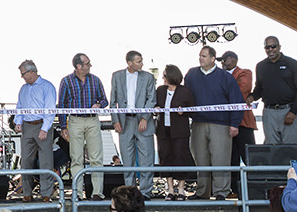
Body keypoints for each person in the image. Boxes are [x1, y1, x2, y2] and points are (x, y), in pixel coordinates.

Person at [186, 45, 239, 200]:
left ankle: (221, 192)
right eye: (200, 56)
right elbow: (185, 95)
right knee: (200, 159)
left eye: (204, 56)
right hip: (198, 123)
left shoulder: (225, 77)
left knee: (220, 158)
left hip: (221, 124)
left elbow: (236, 100)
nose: (200, 58)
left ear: (213, 58)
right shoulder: (191, 75)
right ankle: (202, 192)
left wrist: (234, 123)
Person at [57, 53, 109, 199]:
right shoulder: (66, 81)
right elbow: (62, 106)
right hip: (75, 121)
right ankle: (77, 193)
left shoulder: (96, 80)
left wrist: (99, 104)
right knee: (76, 158)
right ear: (78, 66)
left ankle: (97, 193)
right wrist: (63, 127)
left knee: (96, 157)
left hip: (93, 120)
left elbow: (105, 100)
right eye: (87, 63)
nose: (90, 65)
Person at [110, 50, 157, 192]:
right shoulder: (117, 76)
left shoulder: (148, 77)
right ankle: (129, 192)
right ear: (129, 63)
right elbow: (113, 101)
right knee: (127, 159)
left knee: (147, 158)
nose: (142, 64)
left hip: (143, 121)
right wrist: (115, 120)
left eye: (141, 60)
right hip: (124, 122)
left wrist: (144, 117)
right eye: (138, 61)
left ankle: (145, 192)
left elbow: (152, 99)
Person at [252, 36, 297, 148]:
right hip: (269, 112)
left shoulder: (292, 64)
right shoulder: (261, 66)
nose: (271, 49)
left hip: (289, 110)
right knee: (273, 151)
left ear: (279, 47)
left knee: (294, 150)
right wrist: (251, 97)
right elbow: (259, 89)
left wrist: (293, 111)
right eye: (267, 47)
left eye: (273, 46)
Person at [13, 61, 56, 201]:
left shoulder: (47, 86)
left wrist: (45, 129)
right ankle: (26, 193)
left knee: (46, 162)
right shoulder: (23, 89)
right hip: (27, 127)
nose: (22, 77)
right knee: (26, 161)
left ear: (31, 72)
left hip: (43, 125)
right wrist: (18, 122)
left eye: (23, 74)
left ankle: (46, 194)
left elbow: (50, 110)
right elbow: (19, 107)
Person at [155, 64, 195, 199]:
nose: (162, 77)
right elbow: (155, 104)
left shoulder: (185, 91)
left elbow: (193, 109)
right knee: (165, 157)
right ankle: (170, 189)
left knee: (180, 157)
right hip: (163, 131)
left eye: (165, 75)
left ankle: (181, 189)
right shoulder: (160, 90)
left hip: (180, 131)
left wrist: (183, 111)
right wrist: (155, 108)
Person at [222, 51, 256, 165]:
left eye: (225, 58)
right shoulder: (220, 75)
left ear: (234, 59)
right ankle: (234, 183)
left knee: (249, 157)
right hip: (225, 123)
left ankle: (255, 182)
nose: (222, 62)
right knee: (231, 158)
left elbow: (241, 90)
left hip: (243, 122)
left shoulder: (245, 72)